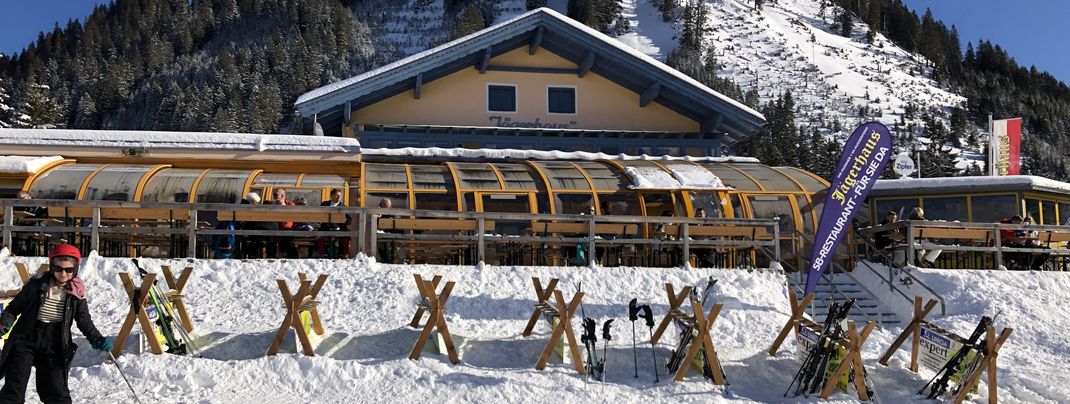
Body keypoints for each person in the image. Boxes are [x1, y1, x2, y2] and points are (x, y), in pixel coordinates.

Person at [0, 244, 112, 403]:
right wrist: (4, 323)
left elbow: (84, 320)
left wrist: (97, 339)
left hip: (54, 342)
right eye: (58, 269)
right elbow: (14, 307)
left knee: (56, 393)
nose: (63, 274)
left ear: (76, 270)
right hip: (26, 338)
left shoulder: (76, 293)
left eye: (68, 270)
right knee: (14, 390)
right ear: (52, 267)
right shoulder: (37, 284)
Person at [316, 189, 350, 258]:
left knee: (346, 238)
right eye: (337, 195)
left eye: (340, 196)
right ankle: (321, 255)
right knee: (320, 237)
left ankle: (345, 255)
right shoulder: (324, 204)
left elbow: (349, 219)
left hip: (340, 229)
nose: (339, 198)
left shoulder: (343, 206)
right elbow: (319, 216)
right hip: (326, 228)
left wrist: (345, 220)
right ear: (331, 196)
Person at [267, 188, 297, 259]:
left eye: (275, 194)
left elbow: (293, 216)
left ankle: (291, 258)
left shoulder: (290, 204)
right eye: (273, 194)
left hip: (287, 229)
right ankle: (271, 258)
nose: (274, 196)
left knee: (288, 239)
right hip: (274, 229)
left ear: (282, 195)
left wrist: (282, 206)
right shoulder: (271, 204)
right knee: (271, 238)